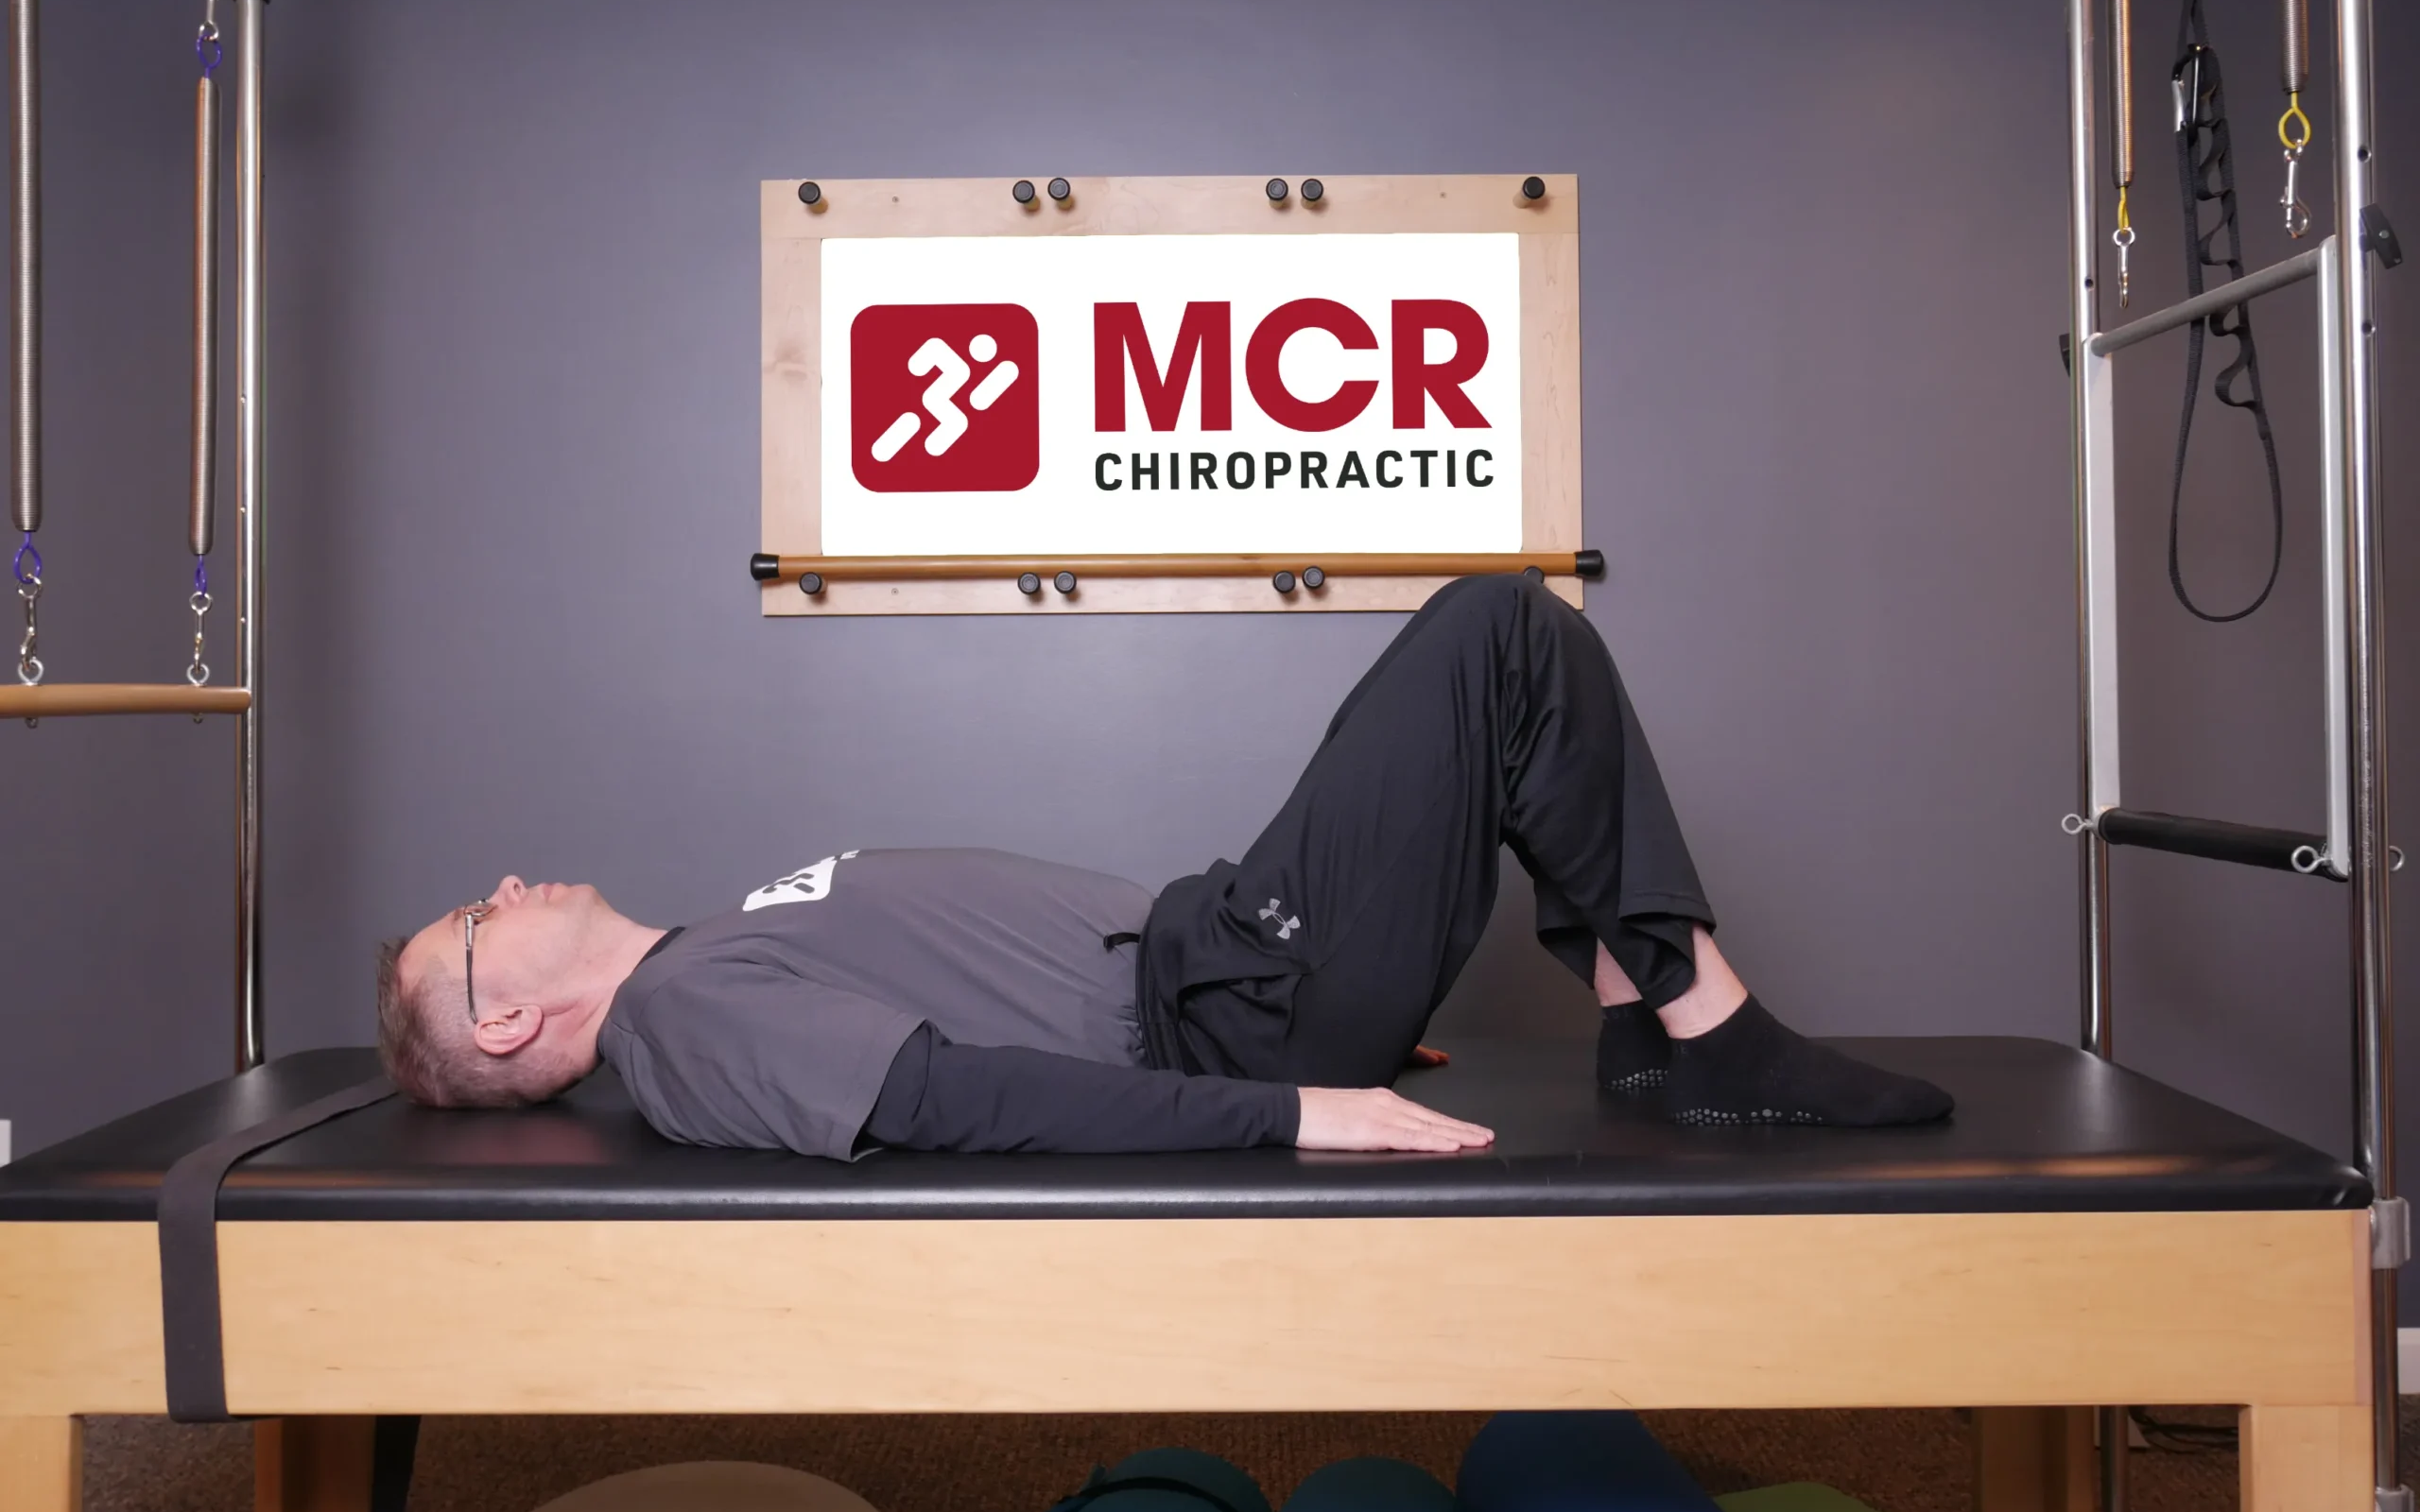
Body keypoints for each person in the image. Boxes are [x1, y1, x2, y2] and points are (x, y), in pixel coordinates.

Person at [377, 575, 1952, 1158]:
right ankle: (1699, 1033)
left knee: (1508, 645)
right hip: (1233, 1016)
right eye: (473, 918)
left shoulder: (702, 957)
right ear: (506, 1021)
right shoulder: (680, 1025)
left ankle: (1657, 1016)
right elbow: (955, 1101)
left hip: (1229, 965)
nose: (501, 881)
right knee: (1498, 632)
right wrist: (1295, 1103)